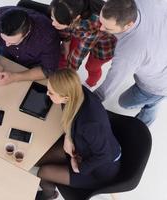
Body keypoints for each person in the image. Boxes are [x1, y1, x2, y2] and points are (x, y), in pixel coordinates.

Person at [36, 69, 121, 200]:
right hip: (82, 149)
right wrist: (68, 138)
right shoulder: (76, 91)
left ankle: (49, 195)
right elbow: (69, 113)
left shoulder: (90, 125)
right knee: (39, 158)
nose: (47, 94)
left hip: (99, 169)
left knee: (44, 171)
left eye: (51, 93)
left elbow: (105, 155)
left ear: (66, 97)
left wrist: (79, 167)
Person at [94, 0, 167, 126]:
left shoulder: (130, 51)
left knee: (125, 103)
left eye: (108, 27)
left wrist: (90, 100)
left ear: (128, 25)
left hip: (158, 85)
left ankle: (147, 118)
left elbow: (111, 83)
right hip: (158, 55)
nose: (101, 28)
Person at [0, 6, 60, 86]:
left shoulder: (48, 36)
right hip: (4, 58)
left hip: (32, 67)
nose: (6, 44)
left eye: (12, 42)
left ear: (27, 33)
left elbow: (48, 70)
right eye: (4, 39)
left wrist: (13, 77)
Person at [50, 0, 116, 88]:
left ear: (76, 18)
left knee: (91, 67)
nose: (53, 23)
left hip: (104, 44)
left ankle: (90, 83)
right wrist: (66, 45)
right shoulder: (65, 9)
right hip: (81, 31)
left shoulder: (94, 23)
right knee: (65, 54)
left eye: (59, 21)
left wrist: (67, 76)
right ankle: (58, 74)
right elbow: (64, 29)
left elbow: (78, 55)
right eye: (52, 17)